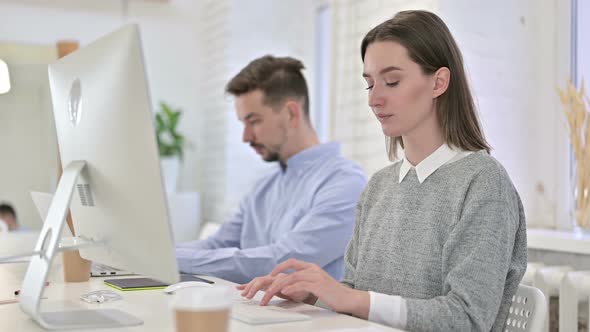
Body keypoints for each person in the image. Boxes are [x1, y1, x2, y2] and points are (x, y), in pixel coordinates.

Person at [238, 10, 527, 331]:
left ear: (439, 82)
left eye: (392, 81)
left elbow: (467, 319)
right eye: (369, 84)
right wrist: (315, 294)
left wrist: (349, 298)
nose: (374, 99)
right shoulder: (378, 187)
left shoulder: (484, 184)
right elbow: (362, 300)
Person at [175, 55, 367, 284]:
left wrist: (172, 259)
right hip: (257, 312)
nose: (246, 137)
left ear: (291, 114)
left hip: (310, 319)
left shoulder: (345, 183)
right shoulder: (264, 186)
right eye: (243, 123)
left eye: (253, 121)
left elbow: (281, 262)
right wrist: (155, 256)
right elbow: (218, 244)